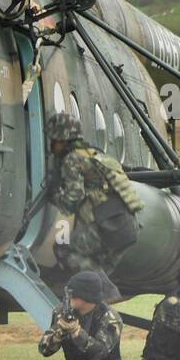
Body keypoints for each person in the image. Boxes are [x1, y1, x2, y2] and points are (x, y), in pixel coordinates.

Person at [46, 112, 144, 275]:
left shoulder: (73, 159)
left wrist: (54, 196)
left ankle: (102, 292)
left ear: (61, 139)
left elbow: (73, 198)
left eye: (53, 141)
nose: (52, 146)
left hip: (104, 228)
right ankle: (101, 295)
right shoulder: (95, 154)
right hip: (127, 227)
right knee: (98, 268)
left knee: (65, 252)